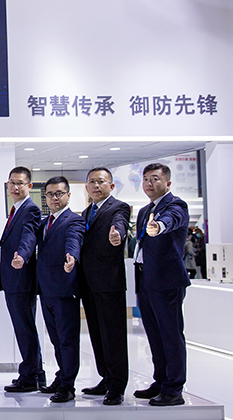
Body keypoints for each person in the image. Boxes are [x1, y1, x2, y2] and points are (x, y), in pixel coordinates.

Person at [133, 163, 190, 407]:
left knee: (170, 334)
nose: (149, 183)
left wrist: (159, 226)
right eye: (146, 178)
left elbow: (171, 220)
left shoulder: (175, 205)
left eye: (155, 179)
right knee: (154, 334)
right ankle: (161, 380)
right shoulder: (145, 210)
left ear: (168, 182)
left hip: (167, 281)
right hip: (146, 279)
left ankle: (174, 388)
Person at [79, 167, 131, 405]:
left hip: (109, 283)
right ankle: (106, 378)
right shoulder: (87, 211)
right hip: (89, 283)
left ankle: (117, 386)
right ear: (86, 187)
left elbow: (120, 224)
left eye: (101, 181)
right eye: (92, 182)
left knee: (114, 336)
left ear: (111, 185)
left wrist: (118, 234)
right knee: (97, 334)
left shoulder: (118, 207)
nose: (96, 186)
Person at [0, 167, 47, 393]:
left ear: (29, 186)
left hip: (21, 279)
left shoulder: (30, 209)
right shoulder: (16, 209)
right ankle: (35, 373)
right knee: (23, 329)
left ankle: (30, 376)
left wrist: (23, 256)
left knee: (25, 329)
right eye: (12, 183)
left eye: (20, 183)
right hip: (12, 279)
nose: (15, 187)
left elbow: (29, 235)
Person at [36, 176, 84, 403]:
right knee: (56, 340)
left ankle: (68, 385)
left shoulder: (74, 220)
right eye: (50, 194)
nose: (54, 198)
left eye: (59, 194)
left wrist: (71, 256)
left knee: (67, 340)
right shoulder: (45, 222)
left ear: (68, 195)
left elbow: (73, 240)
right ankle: (61, 376)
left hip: (64, 290)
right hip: (46, 289)